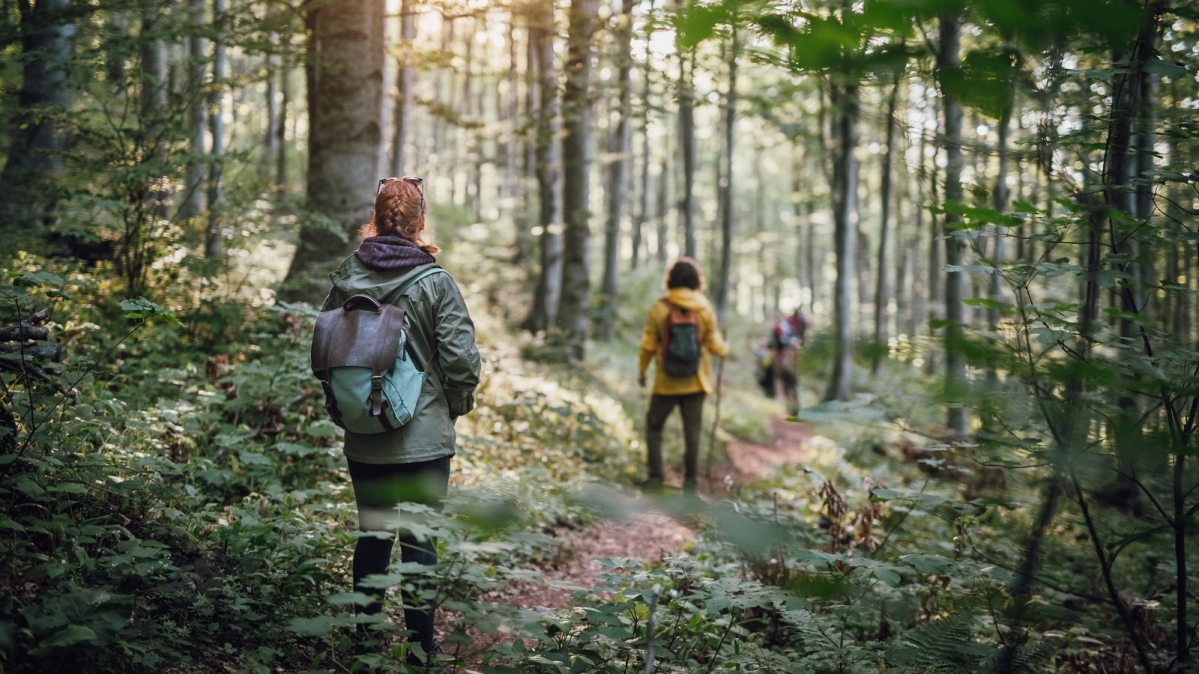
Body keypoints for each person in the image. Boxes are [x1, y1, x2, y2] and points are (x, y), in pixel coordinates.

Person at [320, 176, 481, 668]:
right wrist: (454, 403)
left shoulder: (348, 273)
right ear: (419, 222)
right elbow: (462, 362)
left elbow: (327, 347)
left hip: (363, 434)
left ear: (376, 215)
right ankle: (420, 650)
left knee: (372, 536)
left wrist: (341, 405)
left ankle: (365, 647)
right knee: (419, 540)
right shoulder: (435, 281)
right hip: (423, 439)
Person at [637, 258, 729, 494]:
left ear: (670, 279)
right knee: (692, 434)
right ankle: (690, 485)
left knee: (654, 426)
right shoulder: (704, 307)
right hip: (696, 381)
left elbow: (648, 344)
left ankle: (656, 478)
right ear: (696, 280)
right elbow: (714, 344)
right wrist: (725, 349)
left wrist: (643, 369)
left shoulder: (660, 307)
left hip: (666, 382)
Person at [770, 308, 806, 416]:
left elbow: (775, 343)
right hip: (788, 362)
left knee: (790, 385)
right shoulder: (787, 325)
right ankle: (794, 407)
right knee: (792, 385)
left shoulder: (782, 326)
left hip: (785, 361)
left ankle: (793, 407)